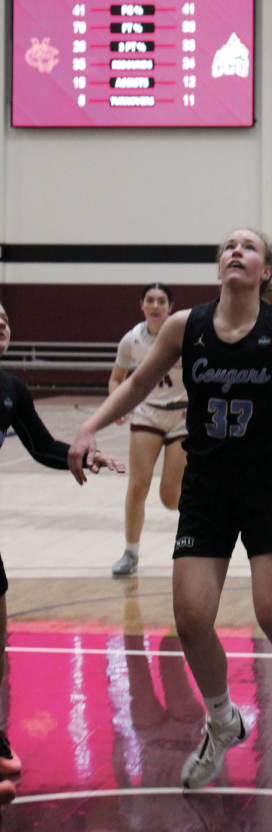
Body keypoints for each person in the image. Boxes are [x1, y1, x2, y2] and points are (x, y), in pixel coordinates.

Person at [68, 229, 272, 794]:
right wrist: (91, 424)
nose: (235, 251)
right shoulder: (184, 326)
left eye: (249, 246)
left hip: (265, 483)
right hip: (206, 481)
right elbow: (139, 381)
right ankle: (222, 719)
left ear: (265, 271)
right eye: (228, 246)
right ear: (219, 266)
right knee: (190, 619)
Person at [0, 301, 123, 805]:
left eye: (5, 318)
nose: (2, 325)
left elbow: (41, 446)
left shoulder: (10, 388)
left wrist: (82, 455)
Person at [109, 282, 188, 577]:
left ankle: (203, 528)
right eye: (150, 300)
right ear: (141, 305)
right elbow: (117, 380)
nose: (156, 306)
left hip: (183, 414)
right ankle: (130, 553)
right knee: (138, 484)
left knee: (170, 496)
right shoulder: (132, 339)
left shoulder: (183, 334)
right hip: (148, 412)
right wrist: (119, 404)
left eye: (161, 301)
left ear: (170, 306)